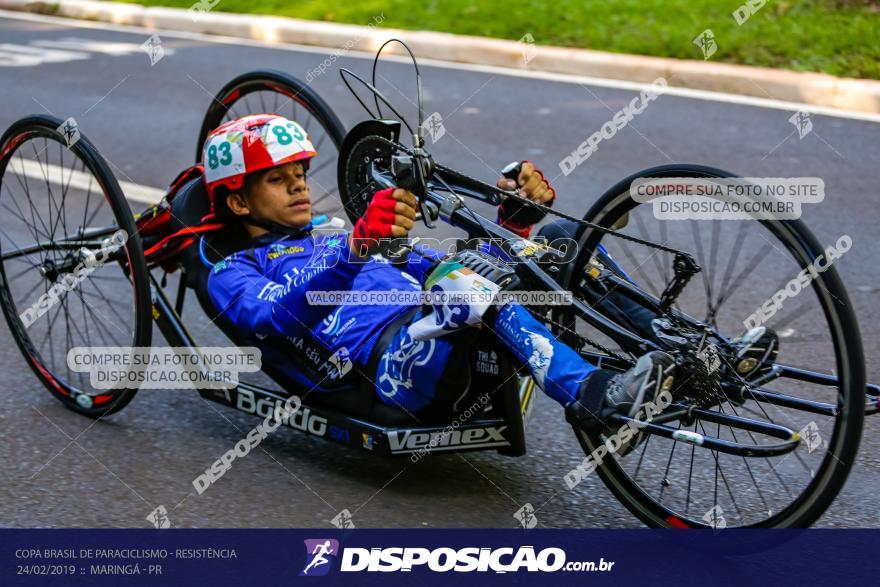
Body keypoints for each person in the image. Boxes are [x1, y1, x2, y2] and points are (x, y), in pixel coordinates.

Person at [203, 114, 676, 433]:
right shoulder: (232, 270)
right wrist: (356, 248)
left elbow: (449, 266)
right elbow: (272, 319)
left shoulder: (328, 235)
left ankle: (682, 348)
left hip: (443, 322)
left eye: (300, 173)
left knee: (560, 238)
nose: (298, 185)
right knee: (459, 285)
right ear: (240, 202)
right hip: (387, 368)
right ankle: (595, 398)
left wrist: (516, 221)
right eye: (276, 178)